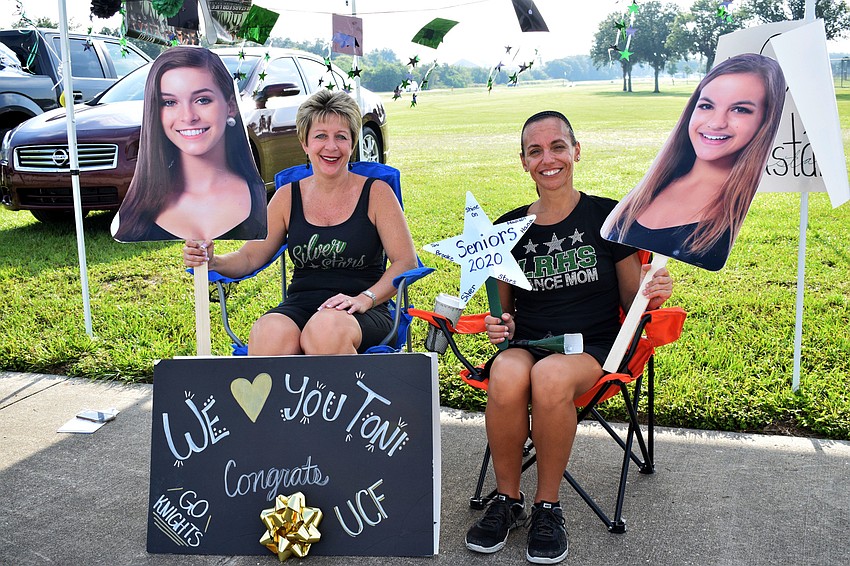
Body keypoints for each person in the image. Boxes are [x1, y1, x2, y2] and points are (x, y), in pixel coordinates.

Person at [464, 110, 673, 564]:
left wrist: (654, 292)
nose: (548, 158)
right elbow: (505, 315)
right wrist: (500, 327)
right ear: (522, 162)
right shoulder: (507, 228)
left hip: (592, 346)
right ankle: (507, 500)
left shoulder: (608, 216)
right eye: (535, 151)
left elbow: (632, 298)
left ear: (576, 152)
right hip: (531, 343)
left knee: (552, 379)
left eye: (557, 146)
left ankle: (547, 505)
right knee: (504, 374)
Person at [182, 89, 418, 355]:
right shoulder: (287, 197)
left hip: (361, 309)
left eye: (341, 137)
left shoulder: (377, 193)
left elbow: (405, 262)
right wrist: (213, 261)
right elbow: (249, 257)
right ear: (305, 143)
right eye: (320, 136)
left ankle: (343, 396)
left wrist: (366, 298)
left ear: (352, 143)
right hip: (301, 304)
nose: (331, 147)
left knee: (325, 331)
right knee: (268, 332)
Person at [601, 53, 786, 271]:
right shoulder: (650, 188)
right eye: (707, 106)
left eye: (740, 109)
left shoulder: (734, 215)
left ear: (766, 121)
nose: (716, 123)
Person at [112, 46, 267, 242]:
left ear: (231, 107)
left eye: (202, 100)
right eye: (169, 102)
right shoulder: (136, 211)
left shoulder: (260, 200)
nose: (188, 117)